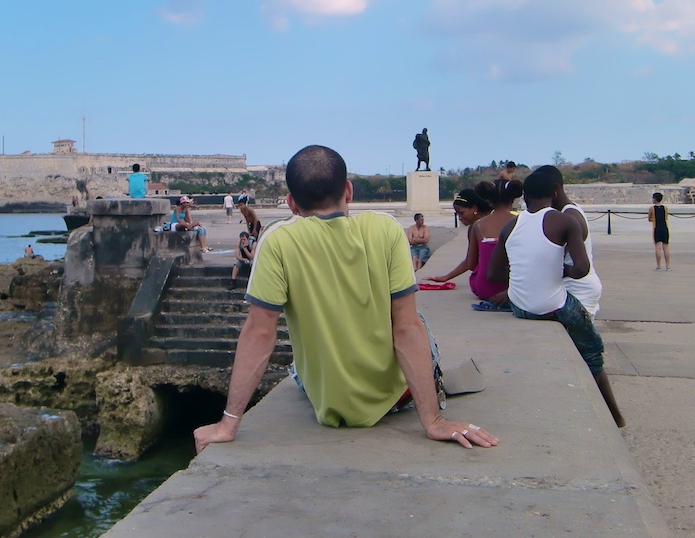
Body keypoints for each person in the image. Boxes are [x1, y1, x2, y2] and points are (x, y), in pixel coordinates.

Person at [193, 145, 498, 454]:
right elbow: (406, 329)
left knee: (298, 364)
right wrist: (433, 421)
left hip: (327, 400)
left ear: (291, 203)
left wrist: (227, 424)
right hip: (394, 399)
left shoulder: (277, 239)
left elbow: (259, 332)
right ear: (349, 191)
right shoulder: (387, 229)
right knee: (414, 318)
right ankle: (431, 383)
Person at [486, 171, 625, 427]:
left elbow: (492, 273)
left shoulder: (511, 225)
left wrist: (525, 272)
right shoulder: (564, 221)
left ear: (525, 196)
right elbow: (581, 269)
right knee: (592, 352)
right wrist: (558, 270)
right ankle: (615, 417)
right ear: (554, 192)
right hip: (552, 306)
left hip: (520, 306)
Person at [535, 165, 603, 317]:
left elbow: (567, 263)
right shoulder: (566, 212)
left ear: (555, 189)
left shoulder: (570, 217)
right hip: (573, 287)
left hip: (578, 289)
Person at [468, 179, 522, 310]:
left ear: (489, 199)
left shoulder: (478, 225)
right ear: (513, 199)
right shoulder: (521, 222)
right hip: (515, 287)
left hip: (484, 288)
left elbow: (471, 264)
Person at [425, 189, 493, 284]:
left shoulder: (475, 228)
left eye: (461, 213)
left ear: (474, 208)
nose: (459, 218)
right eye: (457, 214)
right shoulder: (497, 220)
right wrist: (446, 277)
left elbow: (471, 264)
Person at [649, 192, 671, 271]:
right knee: (666, 247)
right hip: (665, 228)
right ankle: (668, 266)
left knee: (658, 248)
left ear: (654, 199)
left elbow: (649, 218)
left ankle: (659, 266)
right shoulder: (665, 208)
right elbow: (666, 217)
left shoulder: (652, 208)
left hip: (657, 228)